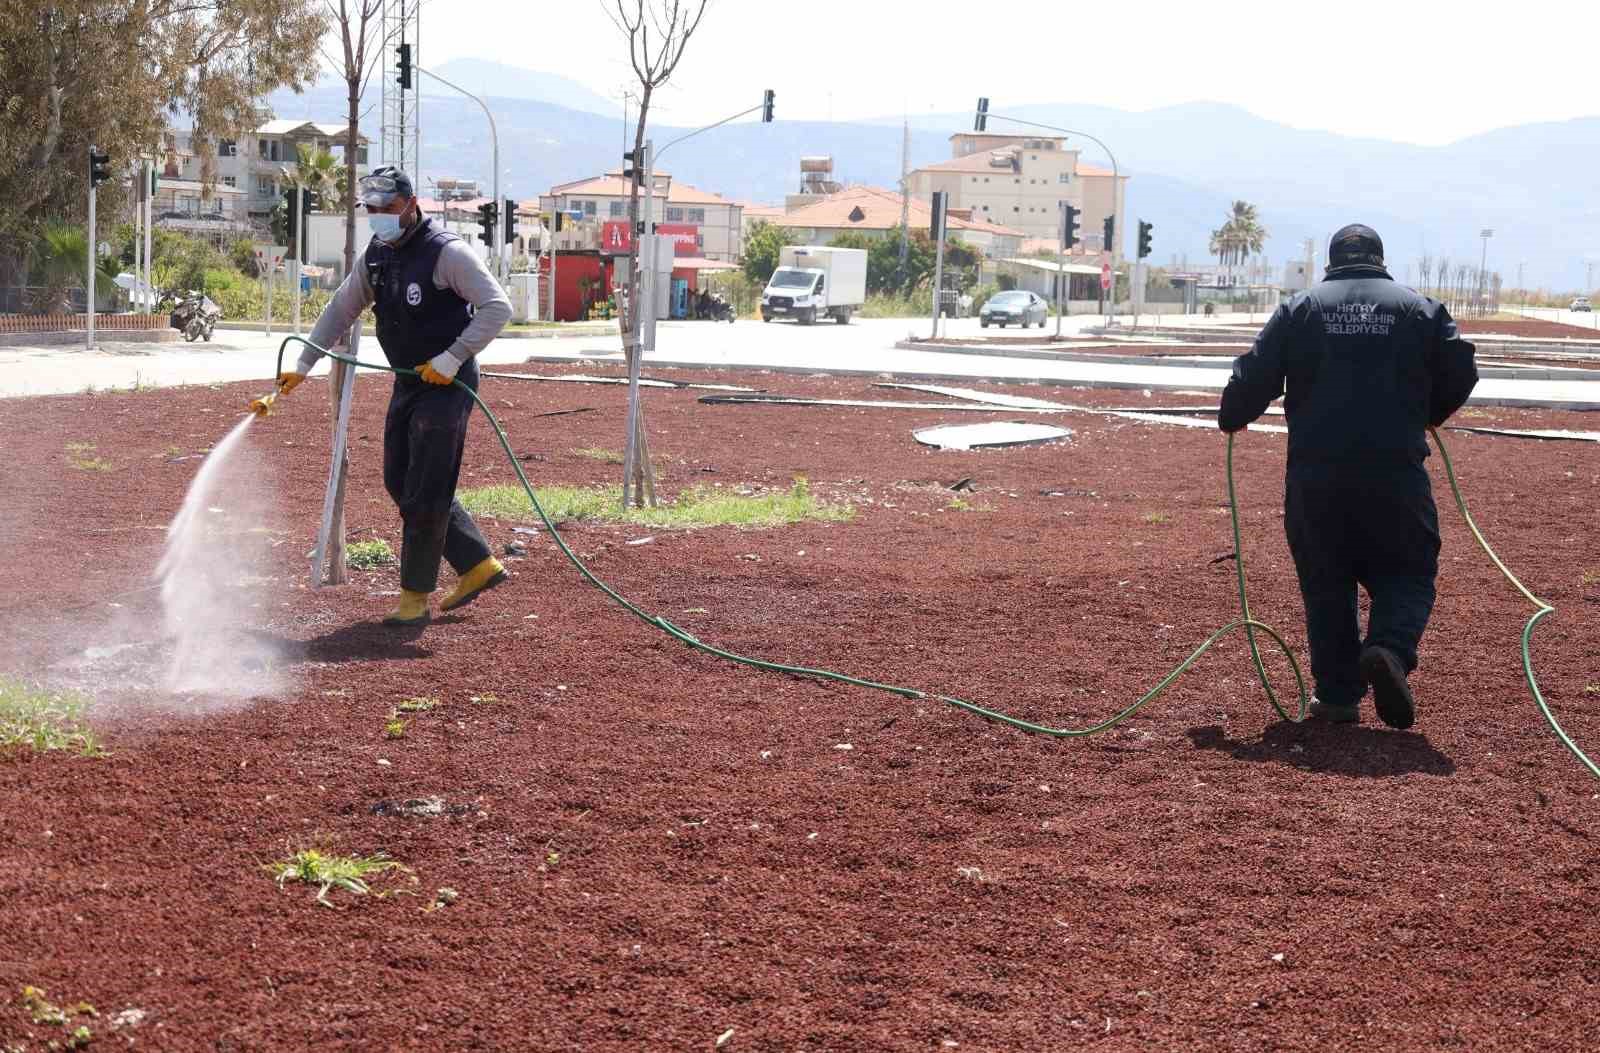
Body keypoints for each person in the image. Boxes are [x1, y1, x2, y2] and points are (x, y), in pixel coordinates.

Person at [1217, 224, 1478, 729]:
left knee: (1326, 583)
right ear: (1380, 261)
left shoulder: (1300, 309)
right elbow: (1461, 368)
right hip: (1395, 474)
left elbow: (1253, 376)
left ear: (1331, 263)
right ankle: (1388, 649)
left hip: (1317, 479)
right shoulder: (1419, 309)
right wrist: (1430, 412)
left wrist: (1233, 413)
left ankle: (1337, 697)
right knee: (1407, 573)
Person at [256, 166, 513, 628]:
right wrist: (302, 366)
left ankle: (414, 597)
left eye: (387, 209)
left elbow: (498, 307)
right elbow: (341, 308)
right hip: (410, 381)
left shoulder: (446, 254)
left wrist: (454, 357)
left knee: (425, 489)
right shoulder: (376, 255)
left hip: (447, 384)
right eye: (371, 210)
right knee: (399, 481)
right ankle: (477, 564)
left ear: (411, 206)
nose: (378, 217)